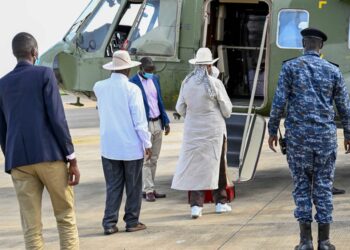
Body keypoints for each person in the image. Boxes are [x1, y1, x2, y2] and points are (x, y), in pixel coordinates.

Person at [268, 28, 350, 250]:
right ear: (320, 47)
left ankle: (305, 242)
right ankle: (325, 241)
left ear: (303, 44)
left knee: (301, 186)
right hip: (324, 138)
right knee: (323, 186)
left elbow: (278, 102)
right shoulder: (333, 70)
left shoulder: (290, 67)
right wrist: (349, 134)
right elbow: (344, 106)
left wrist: (273, 129)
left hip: (298, 139)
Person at [0, 32, 80, 249]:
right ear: (34, 52)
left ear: (14, 54)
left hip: (18, 161)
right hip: (50, 158)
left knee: (31, 227)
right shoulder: (44, 75)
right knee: (65, 217)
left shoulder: (2, 84)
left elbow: (2, 129)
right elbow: (57, 118)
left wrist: (13, 160)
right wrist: (71, 157)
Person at [93, 50, 152, 235]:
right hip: (130, 147)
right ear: (127, 70)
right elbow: (140, 121)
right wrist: (147, 143)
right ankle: (132, 221)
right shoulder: (132, 89)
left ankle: (109, 223)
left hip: (109, 146)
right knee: (133, 186)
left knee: (113, 186)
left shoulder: (99, 86)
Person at [171, 48, 233, 218]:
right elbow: (227, 110)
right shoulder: (215, 83)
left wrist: (193, 116)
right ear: (208, 66)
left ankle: (196, 207)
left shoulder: (187, 82)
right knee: (218, 166)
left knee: (195, 168)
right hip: (214, 132)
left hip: (193, 131)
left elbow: (179, 108)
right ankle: (220, 202)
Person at [129, 57, 170, 202]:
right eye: (147, 71)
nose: (150, 73)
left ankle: (150, 187)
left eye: (152, 71)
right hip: (145, 124)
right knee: (146, 158)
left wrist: (166, 121)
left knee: (154, 158)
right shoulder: (133, 83)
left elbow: (159, 101)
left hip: (157, 121)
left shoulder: (155, 79)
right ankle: (148, 190)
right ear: (140, 69)